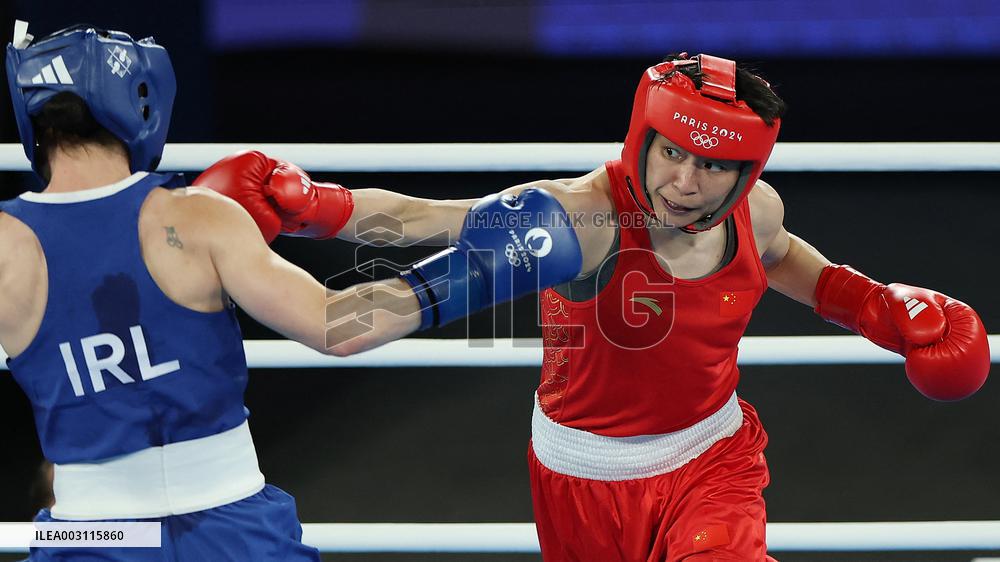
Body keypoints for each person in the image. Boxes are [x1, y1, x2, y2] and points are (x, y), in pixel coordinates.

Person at [211, 53, 991, 561]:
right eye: (672, 152)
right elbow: (438, 219)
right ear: (641, 139)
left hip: (712, 461)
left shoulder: (758, 213)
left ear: (746, 172)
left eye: (712, 165)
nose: (684, 181)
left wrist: (877, 307)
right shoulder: (582, 219)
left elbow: (787, 262)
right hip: (583, 480)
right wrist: (321, 208)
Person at [0, 21, 581, 561]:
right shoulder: (195, 218)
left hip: (88, 531)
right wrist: (485, 268)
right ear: (138, 98)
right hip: (230, 525)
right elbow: (337, 326)